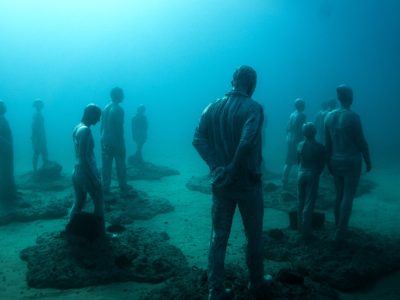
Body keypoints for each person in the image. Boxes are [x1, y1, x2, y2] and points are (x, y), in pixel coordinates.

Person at [193, 65, 271, 300]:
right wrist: (231, 168)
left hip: (221, 185)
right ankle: (256, 282)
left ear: (232, 81)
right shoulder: (253, 108)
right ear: (252, 83)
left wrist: (216, 166)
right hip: (247, 183)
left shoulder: (211, 107)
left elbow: (198, 138)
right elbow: (246, 142)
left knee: (218, 238)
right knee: (254, 236)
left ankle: (214, 291)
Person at [325, 85, 372, 242]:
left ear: (339, 98)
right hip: (351, 161)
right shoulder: (353, 117)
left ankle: (337, 225)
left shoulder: (329, 117)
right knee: (348, 195)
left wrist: (328, 163)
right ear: (349, 98)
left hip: (335, 160)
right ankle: (341, 230)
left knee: (338, 194)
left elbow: (327, 144)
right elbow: (361, 142)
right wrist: (367, 159)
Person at [70, 104, 104, 230]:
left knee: (79, 202)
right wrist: (94, 177)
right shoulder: (85, 130)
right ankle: (101, 233)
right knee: (99, 202)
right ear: (91, 115)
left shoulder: (77, 127)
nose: (99, 120)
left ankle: (70, 230)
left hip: (76, 171)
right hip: (85, 172)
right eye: (98, 116)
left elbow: (80, 156)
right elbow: (84, 157)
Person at [297, 122, 325, 239]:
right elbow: (321, 164)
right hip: (312, 174)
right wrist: (317, 172)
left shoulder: (299, 145)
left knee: (300, 200)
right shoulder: (319, 147)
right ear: (315, 132)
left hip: (301, 173)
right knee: (309, 203)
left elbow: (298, 160)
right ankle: (306, 231)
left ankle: (299, 226)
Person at [101, 87, 131, 194]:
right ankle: (123, 185)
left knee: (106, 165)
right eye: (122, 94)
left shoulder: (105, 108)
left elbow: (102, 127)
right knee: (120, 163)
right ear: (118, 95)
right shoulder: (119, 109)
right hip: (116, 141)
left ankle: (105, 187)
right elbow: (119, 128)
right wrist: (121, 143)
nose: (124, 96)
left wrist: (102, 141)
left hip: (104, 140)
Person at [282, 98, 306, 189]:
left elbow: (287, 128)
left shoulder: (292, 114)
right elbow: (302, 130)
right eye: (303, 104)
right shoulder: (302, 115)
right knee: (301, 161)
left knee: (288, 161)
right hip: (297, 140)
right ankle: (301, 182)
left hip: (290, 139)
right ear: (301, 106)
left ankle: (284, 180)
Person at [0, 101, 17, 205]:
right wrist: (6, 145)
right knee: (5, 171)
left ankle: (10, 191)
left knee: (8, 170)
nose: (5, 107)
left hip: (7, 150)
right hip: (5, 150)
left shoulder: (2, 119)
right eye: (2, 106)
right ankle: (6, 194)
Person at [31, 99, 49, 173]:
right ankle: (39, 169)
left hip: (39, 137)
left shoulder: (37, 115)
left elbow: (35, 127)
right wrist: (37, 137)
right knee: (40, 152)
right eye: (41, 105)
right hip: (39, 137)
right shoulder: (38, 115)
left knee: (39, 153)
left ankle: (40, 168)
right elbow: (36, 127)